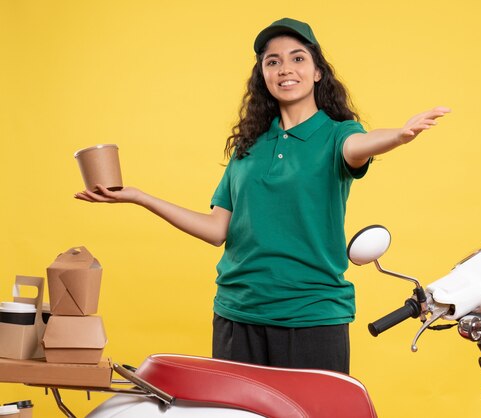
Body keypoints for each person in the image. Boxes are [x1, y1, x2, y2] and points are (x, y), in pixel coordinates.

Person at [75, 17, 450, 374]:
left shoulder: (338, 135)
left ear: (318, 72)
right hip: (237, 315)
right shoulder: (247, 148)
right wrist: (141, 197)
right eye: (274, 62)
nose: (285, 68)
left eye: (298, 58)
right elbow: (215, 229)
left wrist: (399, 136)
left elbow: (361, 144)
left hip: (312, 315)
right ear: (264, 75)